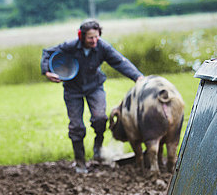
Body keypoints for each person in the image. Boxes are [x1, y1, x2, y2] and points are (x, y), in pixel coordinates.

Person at [41, 19, 144, 173]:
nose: (94, 41)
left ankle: (98, 146)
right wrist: (47, 72)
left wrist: (138, 77)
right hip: (73, 89)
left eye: (97, 37)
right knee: (76, 127)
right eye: (90, 38)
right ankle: (80, 162)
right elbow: (47, 52)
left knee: (100, 118)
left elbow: (120, 62)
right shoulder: (70, 46)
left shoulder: (102, 47)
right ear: (81, 36)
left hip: (94, 87)